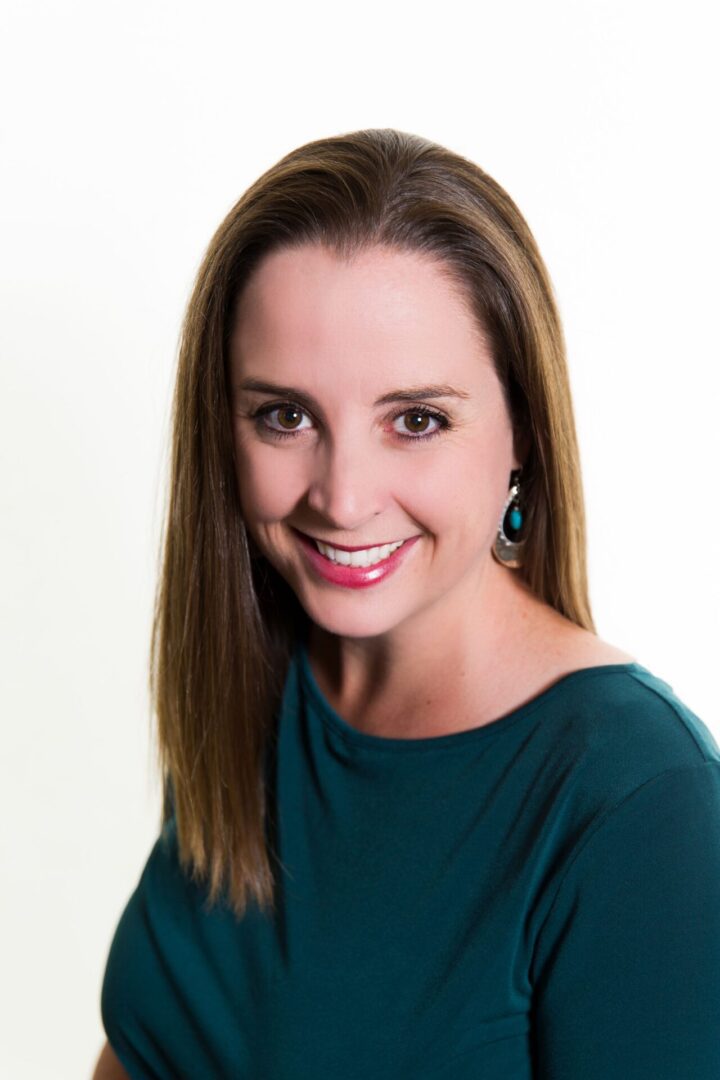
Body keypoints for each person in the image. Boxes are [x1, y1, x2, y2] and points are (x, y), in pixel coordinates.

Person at [93, 129, 720, 1079]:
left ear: (524, 437)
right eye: (285, 415)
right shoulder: (256, 676)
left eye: (416, 420)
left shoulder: (642, 804)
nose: (342, 498)